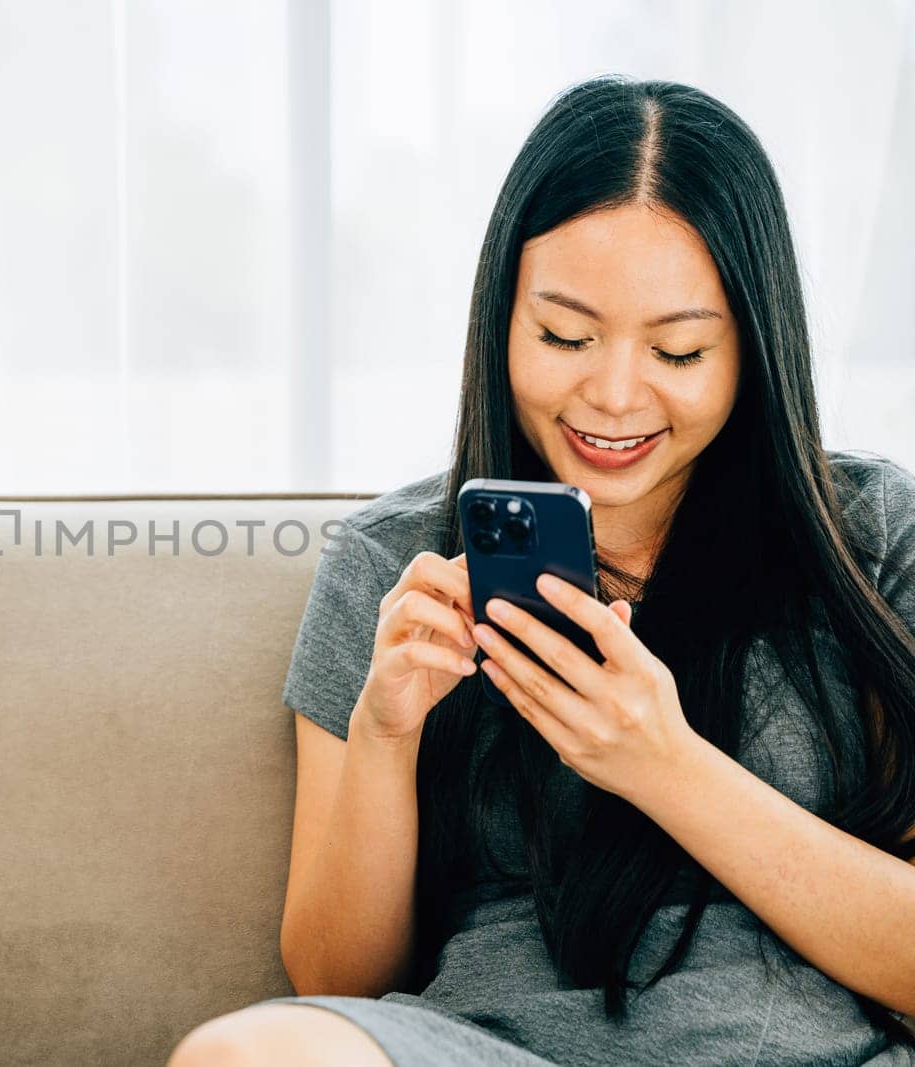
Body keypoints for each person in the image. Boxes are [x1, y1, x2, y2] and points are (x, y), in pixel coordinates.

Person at [167, 75, 915, 1067]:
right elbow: (333, 980)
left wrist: (664, 764)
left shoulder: (867, 536)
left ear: (753, 348)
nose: (609, 395)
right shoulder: (392, 562)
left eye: (679, 350)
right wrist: (385, 735)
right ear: (500, 319)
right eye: (563, 335)